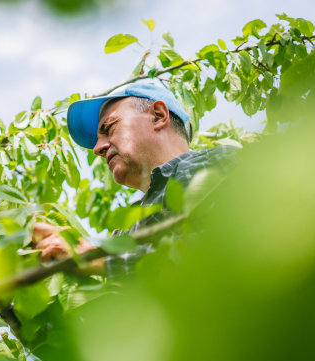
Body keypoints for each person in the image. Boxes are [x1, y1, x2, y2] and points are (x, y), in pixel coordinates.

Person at [32, 82, 236, 270]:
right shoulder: (126, 231)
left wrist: (94, 257)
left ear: (158, 115)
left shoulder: (221, 163)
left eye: (109, 128)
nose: (97, 148)